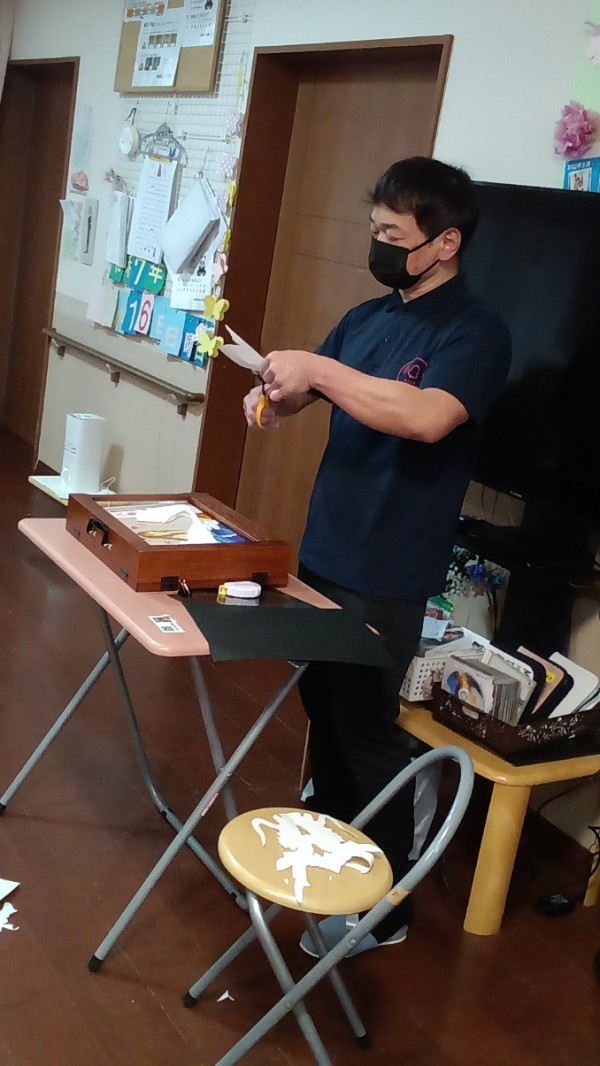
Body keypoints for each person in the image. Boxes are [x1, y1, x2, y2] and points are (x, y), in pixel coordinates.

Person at [243, 156, 511, 956]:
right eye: (375, 230)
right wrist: (274, 394)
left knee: (365, 728)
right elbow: (310, 392)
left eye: (394, 234)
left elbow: (425, 417)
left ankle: (385, 908)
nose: (380, 244)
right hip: (327, 547)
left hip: (390, 565)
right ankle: (334, 860)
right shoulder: (367, 318)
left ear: (445, 242)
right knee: (322, 711)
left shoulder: (476, 332)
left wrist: (320, 368)